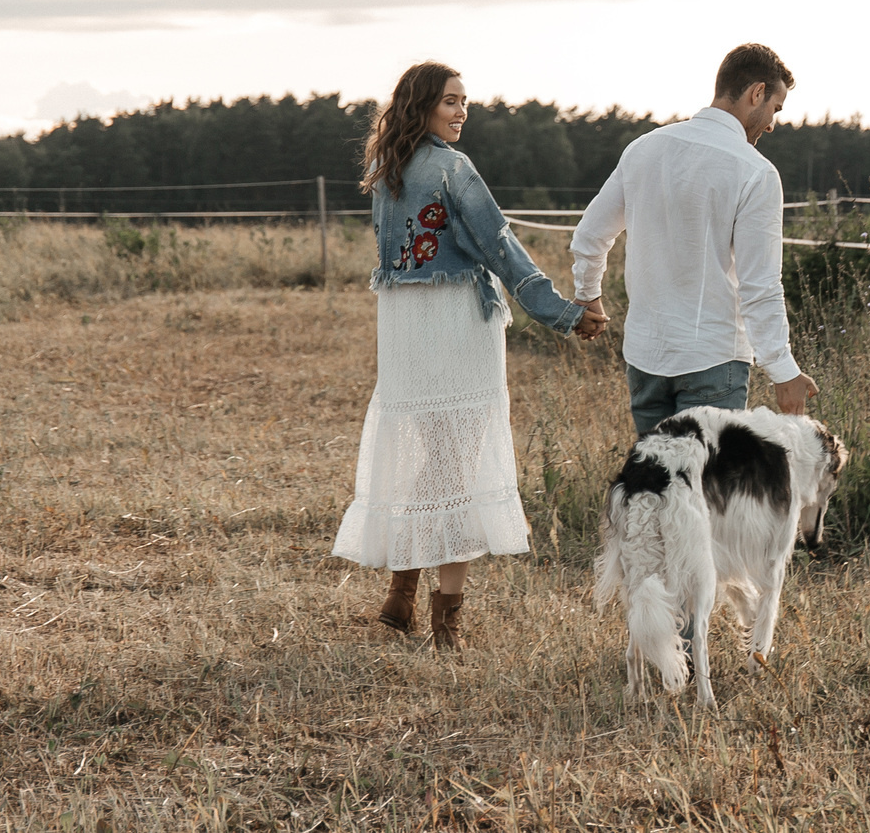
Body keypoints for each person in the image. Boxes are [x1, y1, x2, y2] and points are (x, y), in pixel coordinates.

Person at [333, 61, 606, 649]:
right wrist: (561, 311)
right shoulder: (454, 169)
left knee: (433, 464)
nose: (462, 112)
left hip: (405, 337)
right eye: (451, 102)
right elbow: (500, 246)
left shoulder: (387, 173)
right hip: (456, 330)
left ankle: (401, 595)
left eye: (465, 102)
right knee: (457, 468)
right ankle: (445, 624)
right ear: (424, 105)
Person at [570, 43, 817, 439]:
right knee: (705, 496)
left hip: (645, 358)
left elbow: (591, 234)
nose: (771, 123)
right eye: (776, 108)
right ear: (757, 93)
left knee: (655, 491)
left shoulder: (643, 149)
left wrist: (588, 292)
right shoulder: (756, 172)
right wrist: (783, 370)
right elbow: (760, 285)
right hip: (713, 361)